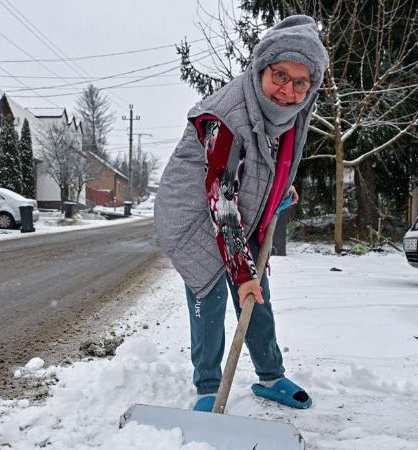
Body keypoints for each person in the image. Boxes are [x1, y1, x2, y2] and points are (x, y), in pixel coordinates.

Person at [154, 15, 329, 412]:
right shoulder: (226, 115)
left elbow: (260, 168)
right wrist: (242, 271)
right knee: (211, 297)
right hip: (195, 218)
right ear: (260, 69)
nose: (288, 90)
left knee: (256, 297)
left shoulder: (287, 114)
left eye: (301, 82)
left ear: (311, 86)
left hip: (236, 215)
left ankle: (270, 376)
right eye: (280, 75)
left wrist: (278, 192)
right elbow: (221, 196)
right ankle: (208, 387)